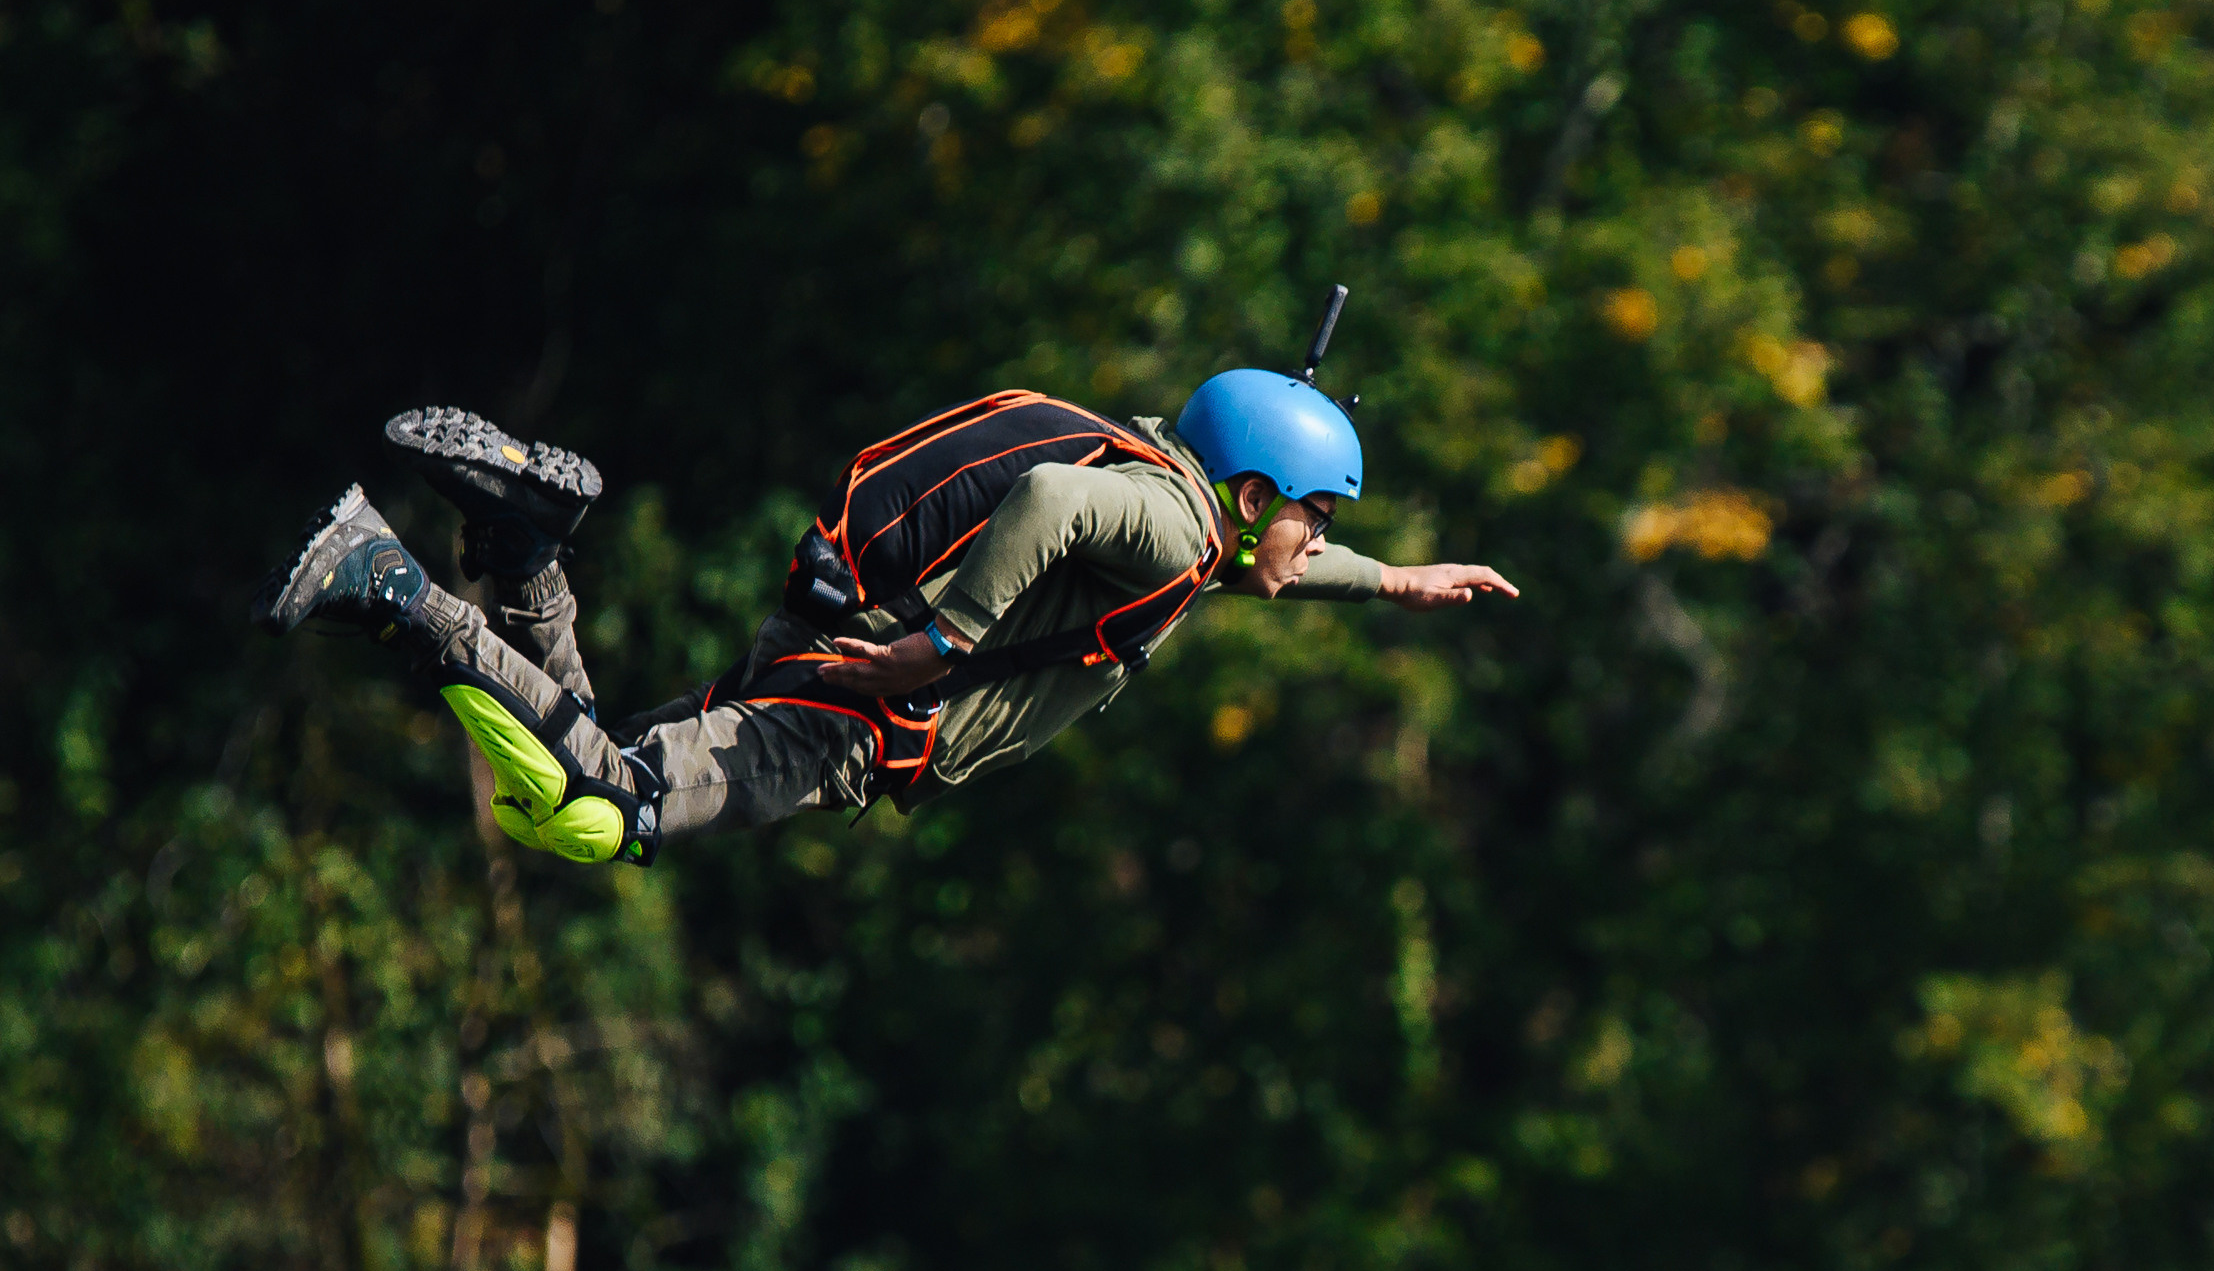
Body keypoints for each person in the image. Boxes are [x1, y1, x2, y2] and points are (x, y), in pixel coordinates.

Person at [251, 371, 1518, 866]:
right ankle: (390, 585)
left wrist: (1395, 579)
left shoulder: (1182, 513)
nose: (1318, 543)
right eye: (1315, 518)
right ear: (1250, 499)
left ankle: (525, 548)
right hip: (854, 717)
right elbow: (1051, 500)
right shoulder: (1176, 529)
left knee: (585, 768)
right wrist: (948, 641)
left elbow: (1246, 561)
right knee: (596, 808)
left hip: (839, 675)